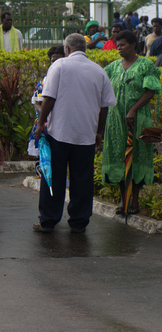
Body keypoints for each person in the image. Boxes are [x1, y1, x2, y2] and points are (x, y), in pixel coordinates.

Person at [33, 34, 116, 233]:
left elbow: (49, 98)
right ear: (85, 49)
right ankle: (79, 222)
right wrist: (99, 132)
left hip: (59, 134)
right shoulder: (99, 71)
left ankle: (48, 220)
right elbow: (105, 107)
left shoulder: (59, 66)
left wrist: (41, 124)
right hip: (86, 135)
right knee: (82, 180)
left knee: (53, 177)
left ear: (67, 49)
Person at [101, 31, 161, 215]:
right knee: (118, 157)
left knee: (137, 157)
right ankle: (123, 199)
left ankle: (134, 200)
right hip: (115, 121)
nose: (119, 47)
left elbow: (151, 90)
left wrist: (133, 109)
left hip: (137, 119)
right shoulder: (112, 68)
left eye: (123, 44)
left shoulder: (146, 65)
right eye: (117, 45)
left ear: (134, 45)